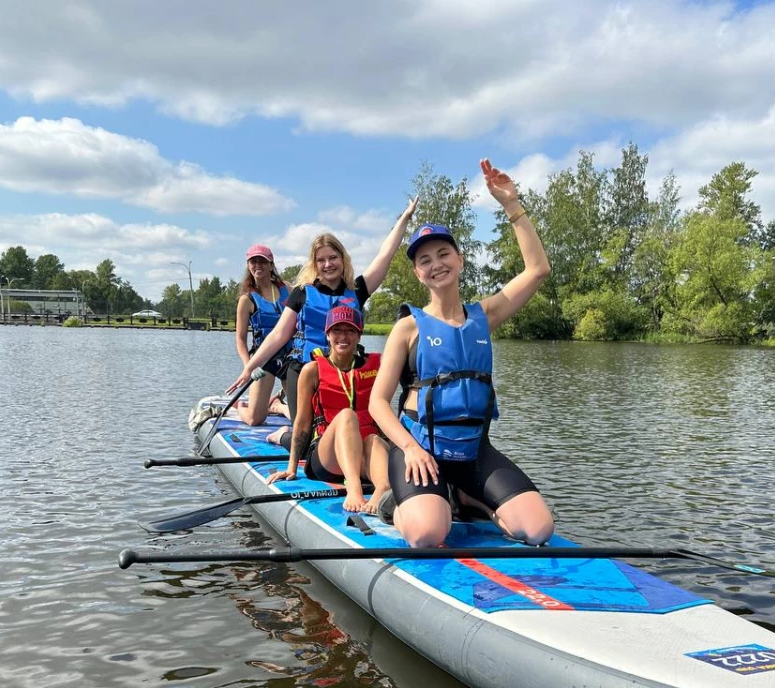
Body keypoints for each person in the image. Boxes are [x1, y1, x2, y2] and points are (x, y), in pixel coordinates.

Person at [369, 159, 554, 548]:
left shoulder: (484, 315)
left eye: (443, 254)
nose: (436, 264)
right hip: (421, 451)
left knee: (538, 528)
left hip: (472, 452)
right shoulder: (408, 327)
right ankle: (394, 504)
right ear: (418, 273)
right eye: (425, 260)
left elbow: (537, 269)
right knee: (427, 533)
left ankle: (466, 496)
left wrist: (512, 206)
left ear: (460, 260)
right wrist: (408, 448)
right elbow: (378, 404)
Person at [228, 199, 419, 443]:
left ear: (342, 259)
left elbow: (385, 255)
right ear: (315, 264)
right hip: (306, 371)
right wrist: (249, 367)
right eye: (321, 260)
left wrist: (404, 218)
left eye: (333, 257)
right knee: (308, 439)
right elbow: (279, 335)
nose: (328, 264)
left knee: (350, 431)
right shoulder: (302, 292)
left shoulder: (357, 290)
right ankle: (280, 436)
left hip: (344, 370)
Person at [266, 304, 390, 514]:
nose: (343, 336)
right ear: (327, 334)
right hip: (327, 457)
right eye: (337, 330)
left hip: (363, 452)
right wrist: (291, 467)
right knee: (347, 416)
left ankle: (383, 487)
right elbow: (303, 421)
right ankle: (353, 486)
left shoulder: (377, 367)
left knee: (375, 439)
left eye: (350, 330)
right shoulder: (312, 370)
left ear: (359, 335)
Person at [233, 244, 290, 425]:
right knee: (254, 419)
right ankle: (241, 405)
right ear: (248, 265)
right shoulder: (246, 300)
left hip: (289, 357)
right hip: (262, 361)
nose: (258, 265)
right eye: (253, 261)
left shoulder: (286, 289)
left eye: (262, 261)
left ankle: (277, 404)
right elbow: (240, 340)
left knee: (303, 413)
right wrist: (249, 367)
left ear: (270, 264)